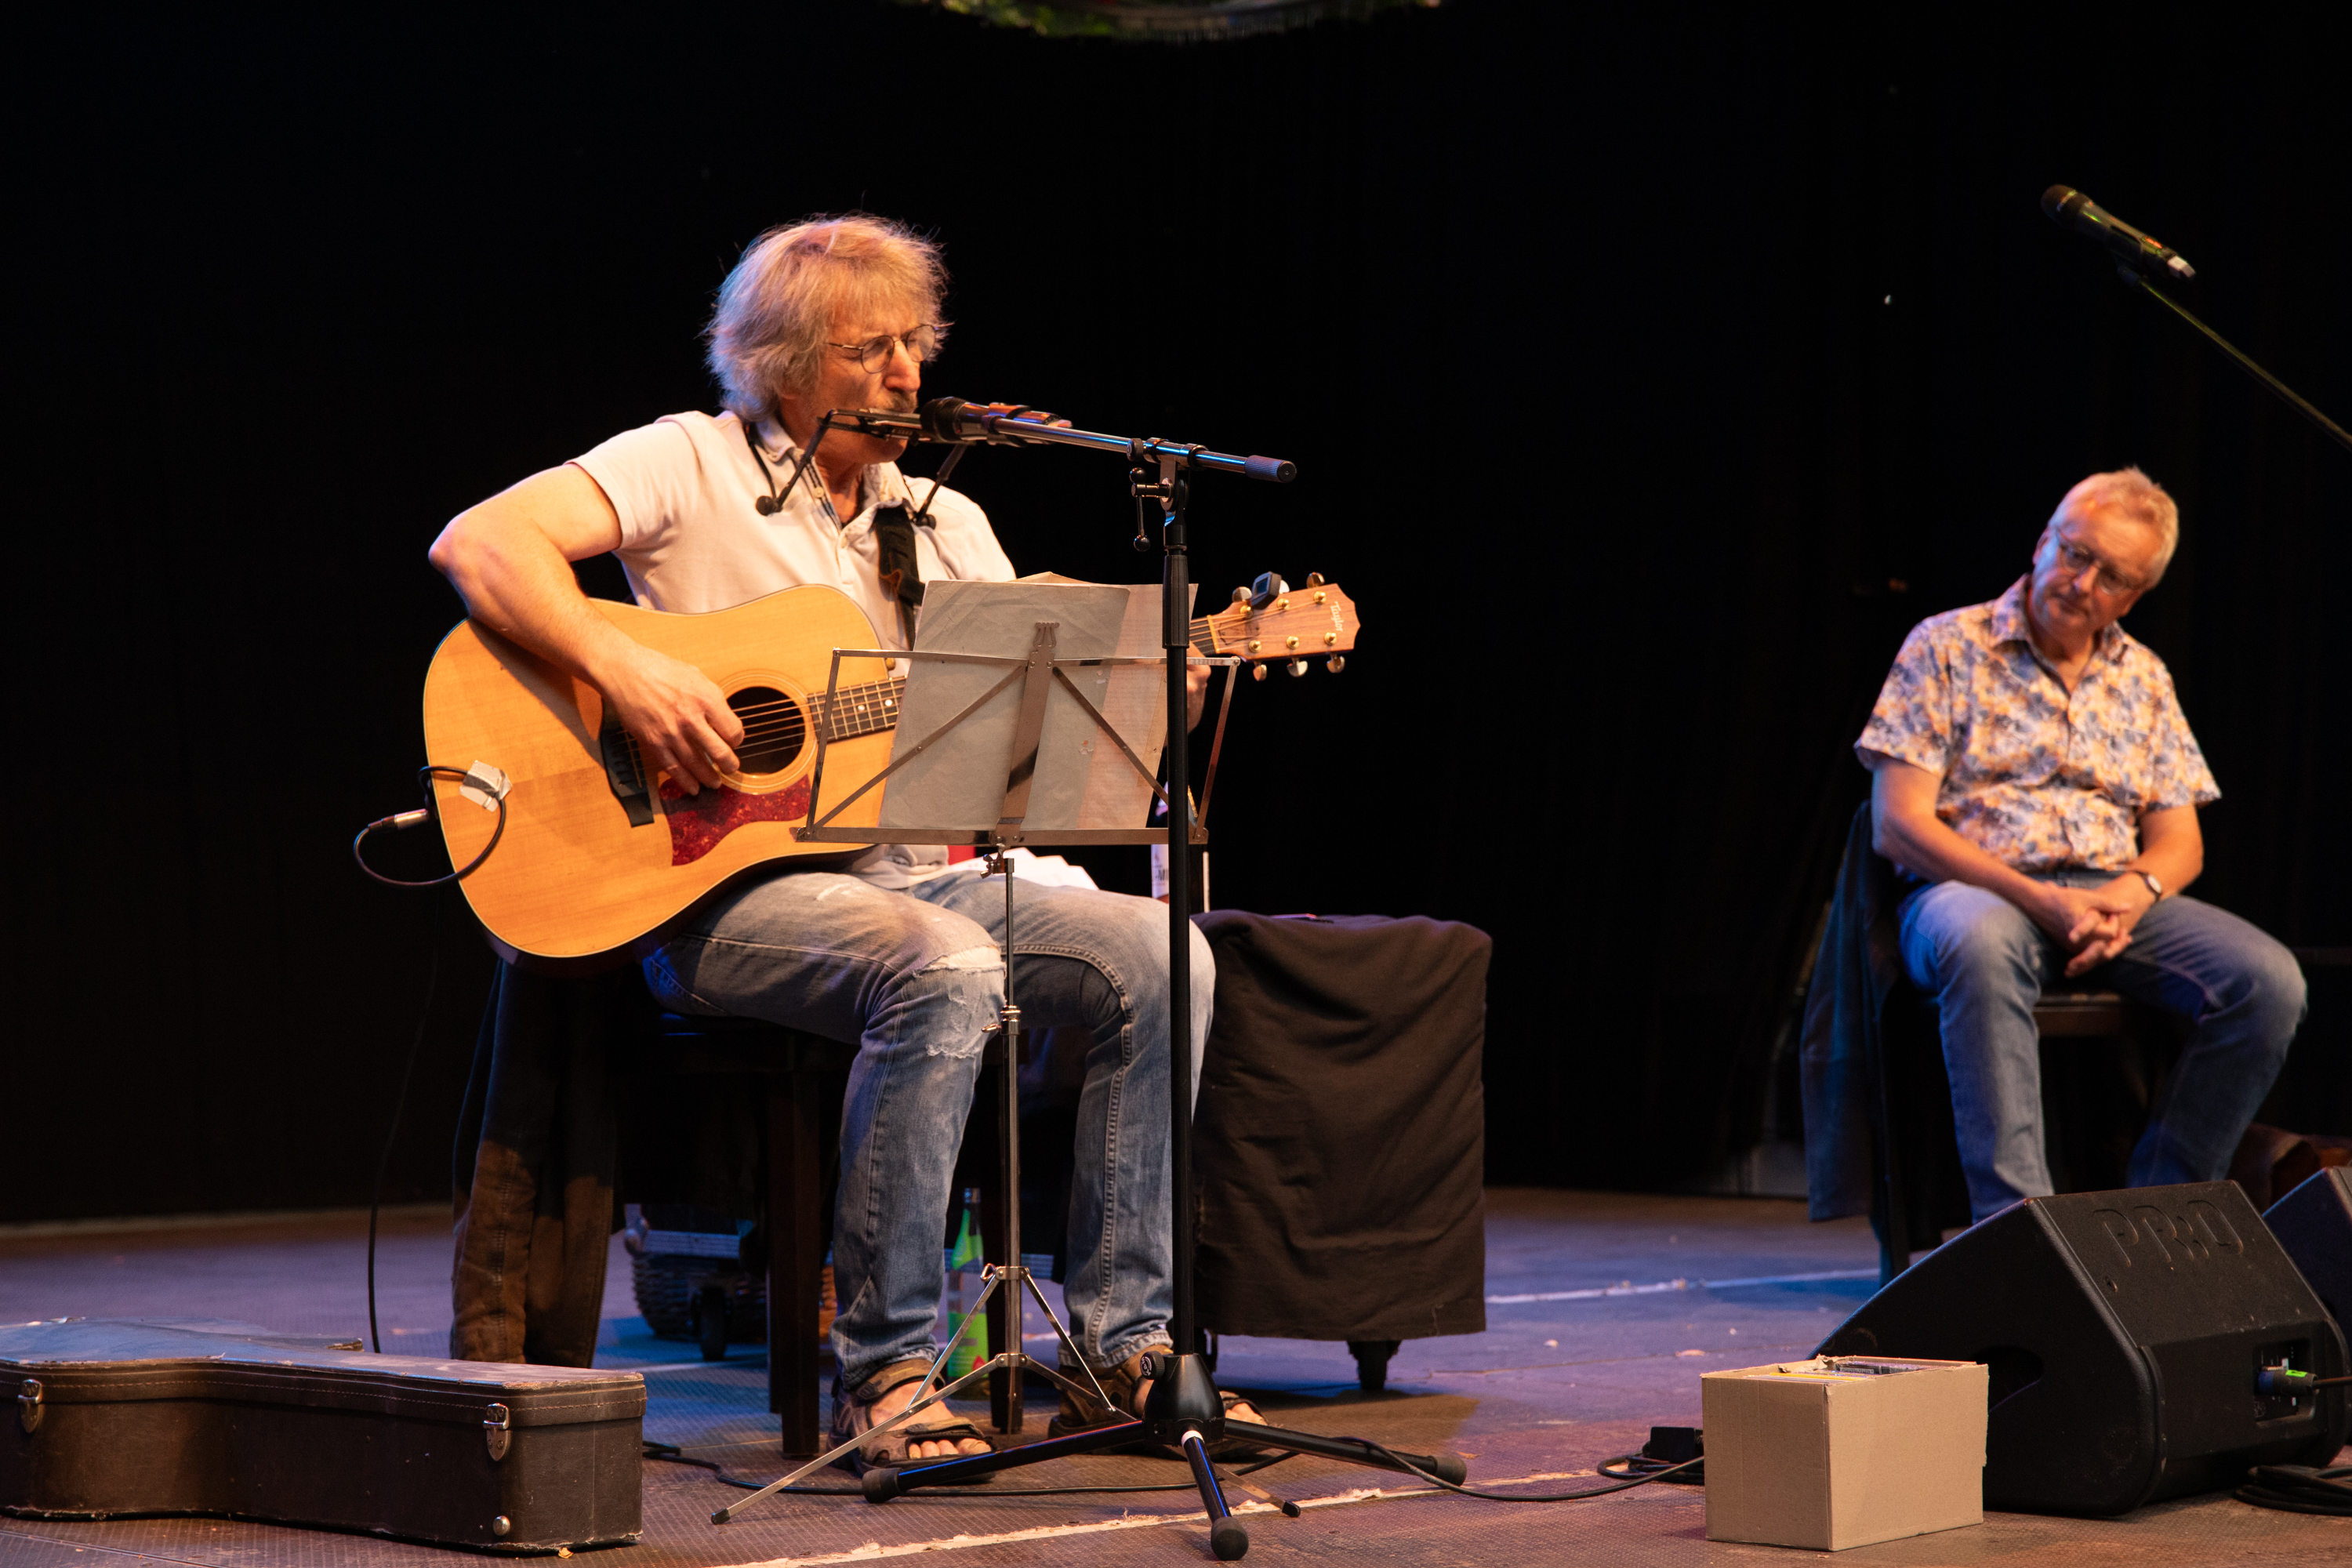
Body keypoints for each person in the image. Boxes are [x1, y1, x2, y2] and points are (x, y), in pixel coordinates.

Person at [429, 214, 1257, 1467]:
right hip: (717, 896)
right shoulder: (689, 464)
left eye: (915, 343)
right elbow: (479, 542)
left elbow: (1009, 769)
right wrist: (633, 673)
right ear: (784, 362)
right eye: (872, 349)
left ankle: (1120, 1349)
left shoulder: (945, 522)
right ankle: (891, 1375)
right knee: (941, 968)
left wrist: (1149, 695)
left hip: (927, 878)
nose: (909, 373)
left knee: (1168, 957)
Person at [1855, 466, 2303, 1223]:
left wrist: (2120, 903)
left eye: (2111, 576)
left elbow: (2178, 845)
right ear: (2043, 544)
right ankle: (2023, 1232)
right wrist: (2042, 900)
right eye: (2075, 554)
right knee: (1980, 944)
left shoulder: (2145, 678)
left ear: (2133, 597)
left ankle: (2158, 1218)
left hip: (2107, 892)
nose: (2081, 581)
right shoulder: (1945, 646)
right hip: (1973, 891)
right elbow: (1899, 822)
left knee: (2267, 982)